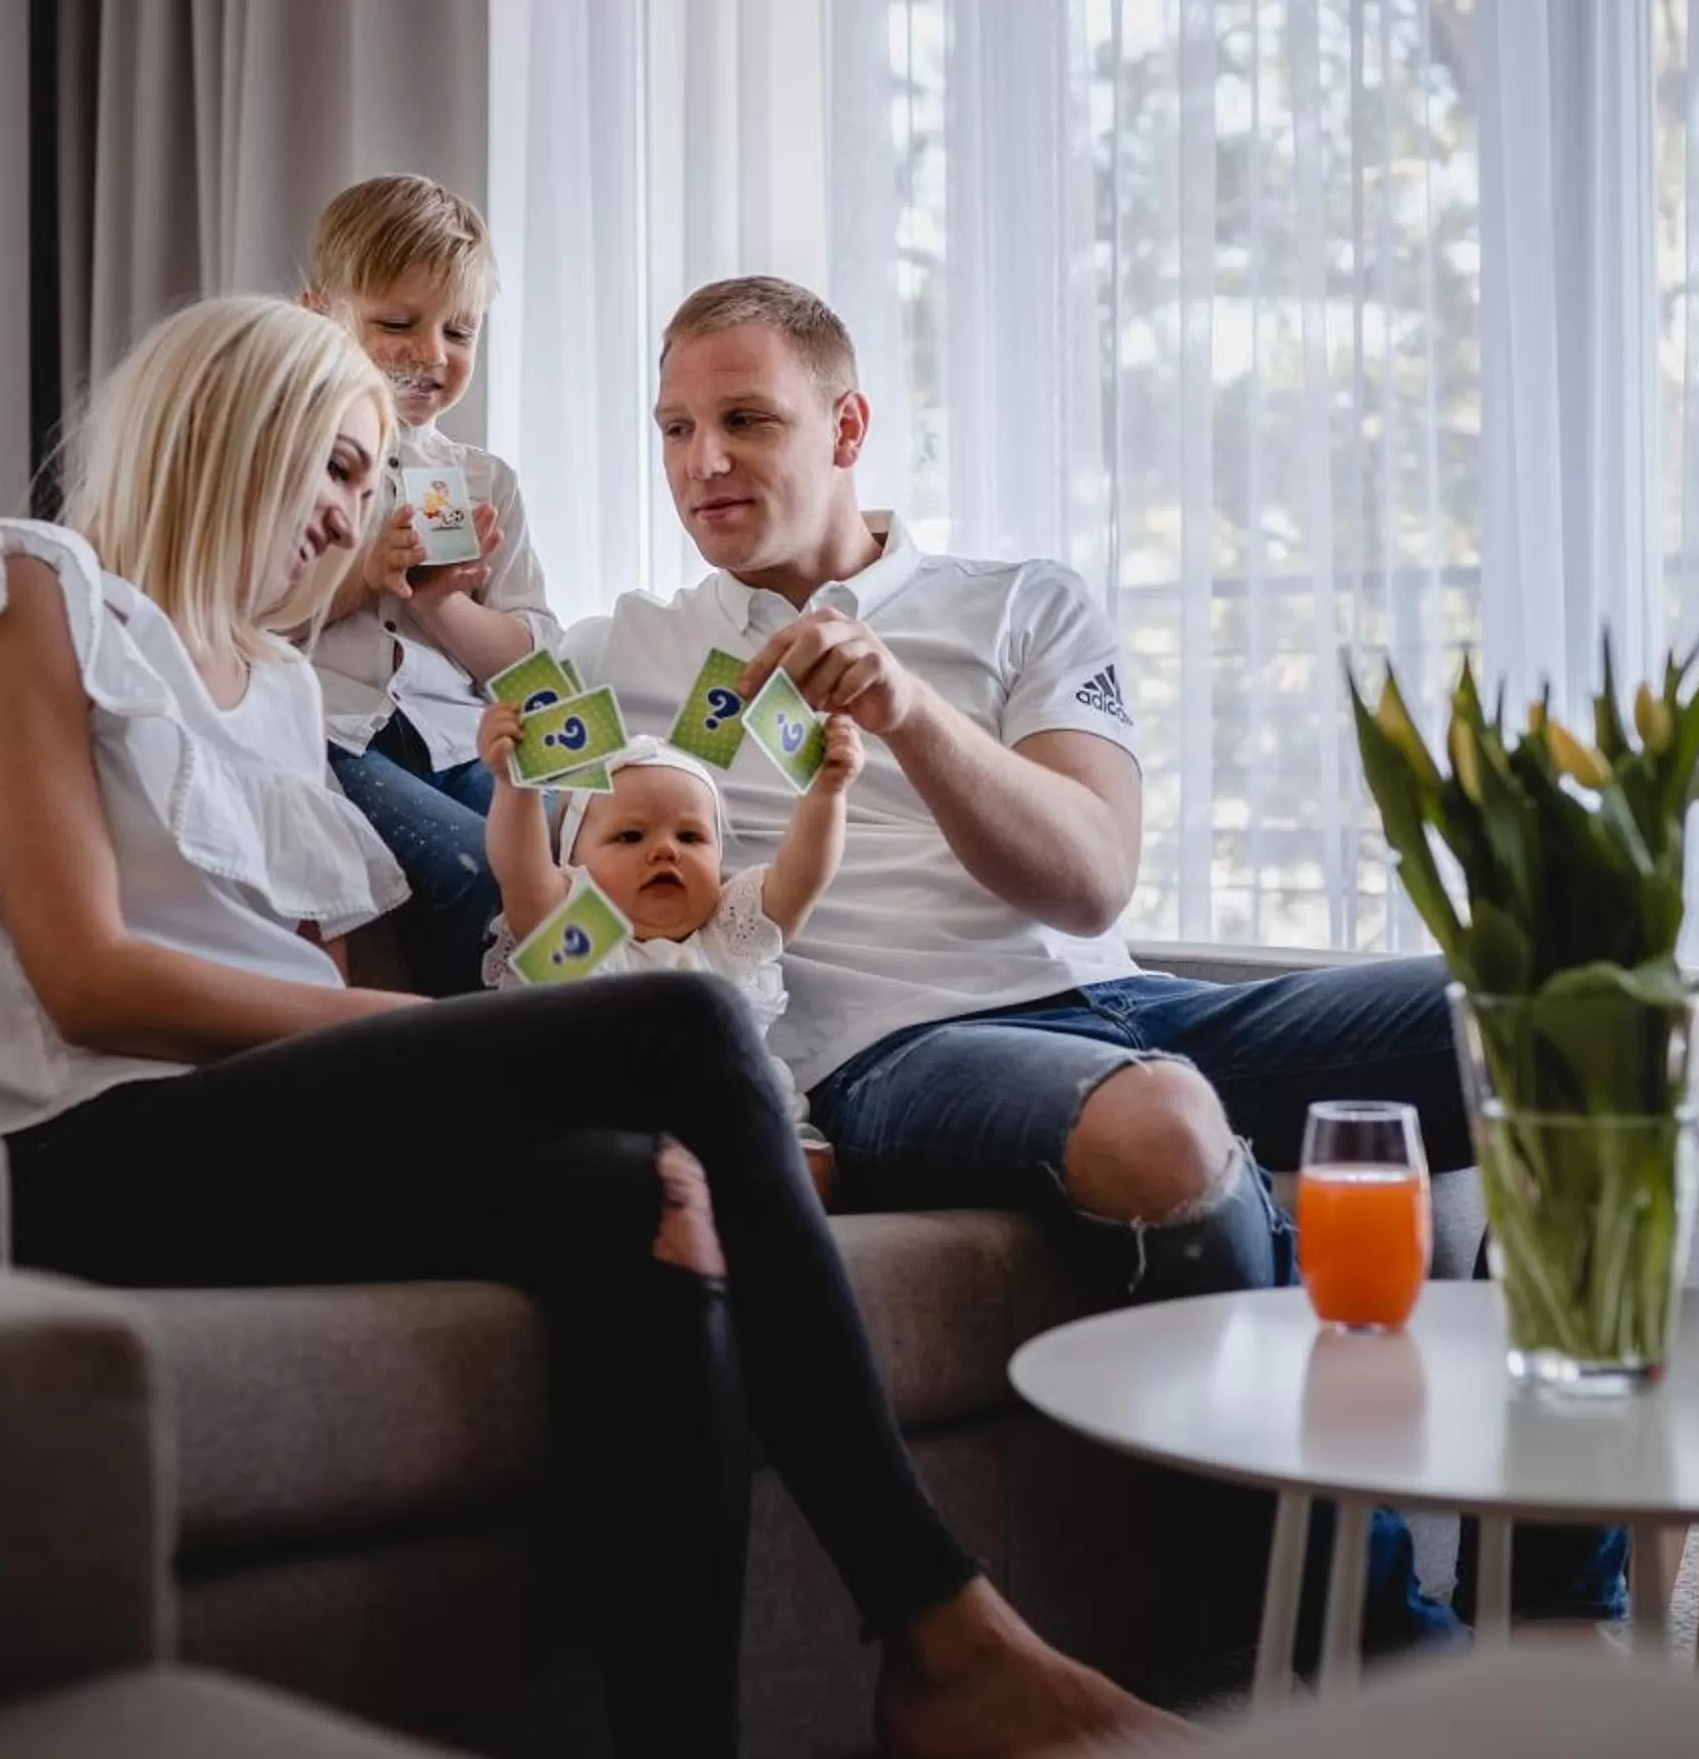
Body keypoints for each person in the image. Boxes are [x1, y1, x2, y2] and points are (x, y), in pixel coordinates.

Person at [0, 293, 1170, 1759]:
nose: (350, 512)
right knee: (682, 1024)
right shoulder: (31, 590)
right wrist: (427, 1037)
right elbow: (85, 974)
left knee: (650, 1198)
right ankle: (946, 1633)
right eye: (335, 464)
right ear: (227, 427)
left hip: (270, 1132)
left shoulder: (276, 686)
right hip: (88, 1140)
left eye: (366, 475)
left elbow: (329, 977)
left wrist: (426, 1039)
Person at [565, 275, 1627, 1658]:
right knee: (1166, 1126)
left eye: (746, 420)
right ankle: (1376, 1646)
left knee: (1568, 1016)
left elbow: (1090, 877)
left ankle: (1554, 1607)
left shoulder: (1019, 603)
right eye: (675, 428)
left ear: (847, 427)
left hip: (1117, 997)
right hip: (894, 1050)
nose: (703, 461)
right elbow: (411, 733)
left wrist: (908, 708)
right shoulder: (623, 655)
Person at [304, 174, 558, 994]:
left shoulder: (478, 480)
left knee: (577, 846)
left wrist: (443, 603)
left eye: (459, 331)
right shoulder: (285, 464)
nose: (433, 354)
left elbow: (533, 664)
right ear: (319, 316)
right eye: (396, 324)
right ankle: (490, 1056)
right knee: (477, 871)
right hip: (334, 737)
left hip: (461, 737)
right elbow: (236, 622)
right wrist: (362, 576)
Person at [477, 721, 856, 1190]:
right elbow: (522, 874)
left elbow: (803, 877)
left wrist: (826, 793)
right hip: (614, 1135)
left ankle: (730, 1206)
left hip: (735, 1136)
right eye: (630, 836)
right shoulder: (579, 937)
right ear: (572, 867)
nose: (664, 850)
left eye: (691, 837)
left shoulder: (725, 934)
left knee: (812, 1168)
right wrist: (515, 786)